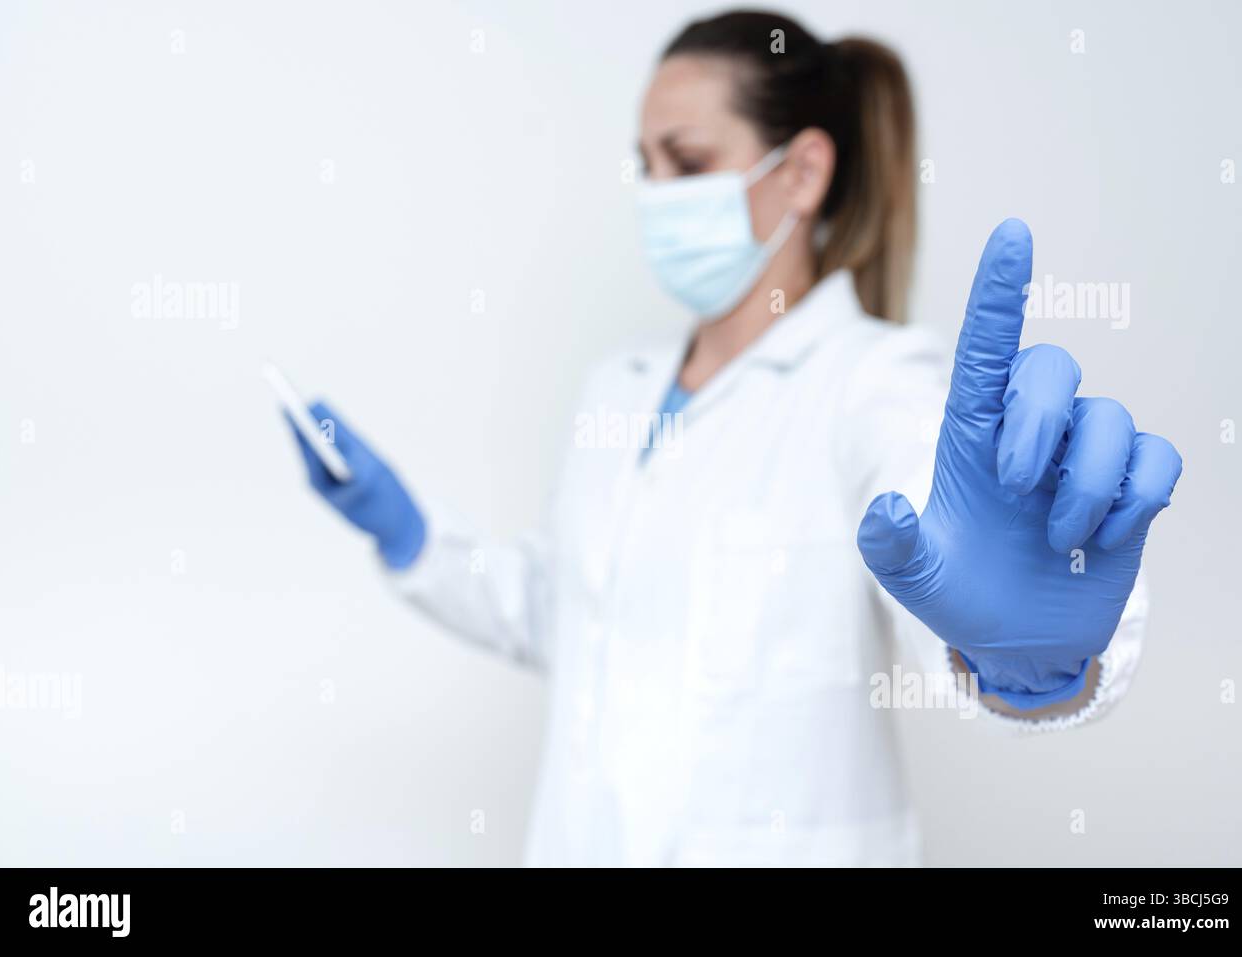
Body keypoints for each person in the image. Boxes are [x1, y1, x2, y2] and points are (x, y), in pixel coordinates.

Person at [288, 11, 1182, 866]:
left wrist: (1022, 660)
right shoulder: (620, 387)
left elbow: (936, 538)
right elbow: (574, 616)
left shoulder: (873, 382)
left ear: (801, 173)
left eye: (689, 162)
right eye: (645, 165)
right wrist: (407, 533)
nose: (658, 196)